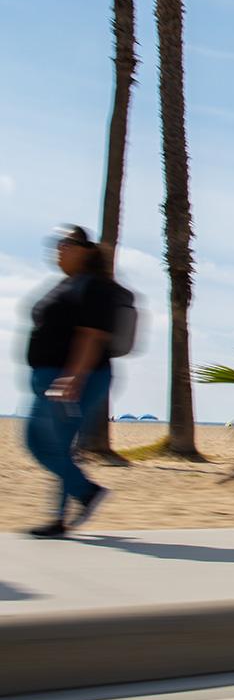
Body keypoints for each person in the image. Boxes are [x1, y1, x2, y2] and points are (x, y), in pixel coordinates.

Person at [24, 225, 115, 538]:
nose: (59, 248)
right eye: (57, 243)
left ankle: (72, 504)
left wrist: (74, 376)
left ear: (86, 250)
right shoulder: (66, 284)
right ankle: (75, 501)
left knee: (50, 444)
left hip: (75, 377)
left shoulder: (95, 286)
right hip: (49, 376)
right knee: (45, 444)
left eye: (67, 243)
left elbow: (92, 336)